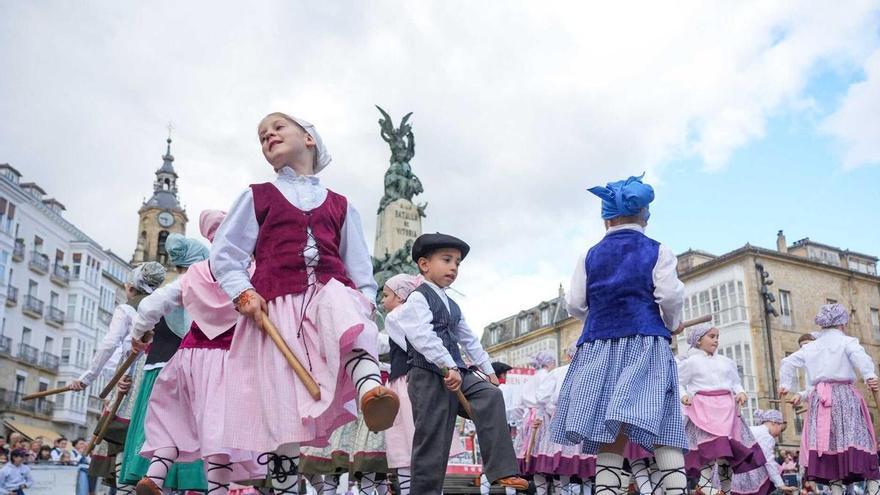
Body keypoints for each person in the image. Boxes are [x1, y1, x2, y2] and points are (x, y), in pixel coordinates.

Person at [210, 112, 398, 494]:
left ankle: (369, 390)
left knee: (346, 307)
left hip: (327, 298)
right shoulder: (256, 196)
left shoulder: (341, 204)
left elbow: (360, 267)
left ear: (309, 138)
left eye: (278, 127)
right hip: (276, 310)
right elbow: (226, 255)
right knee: (284, 411)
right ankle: (283, 486)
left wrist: (363, 300)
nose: (268, 136)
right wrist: (243, 292)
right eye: (262, 135)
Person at [550, 174, 688, 494]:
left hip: (598, 347)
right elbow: (669, 296)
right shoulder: (659, 250)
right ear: (645, 217)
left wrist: (599, 316)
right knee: (664, 423)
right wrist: (670, 323)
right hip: (645, 343)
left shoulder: (590, 254)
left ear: (606, 219)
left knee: (607, 431)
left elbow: (574, 303)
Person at [385, 232, 528, 494]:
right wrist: (446, 365)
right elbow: (421, 336)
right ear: (424, 264)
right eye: (447, 260)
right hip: (427, 375)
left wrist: (487, 369)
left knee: (490, 395)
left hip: (457, 372)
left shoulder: (452, 304)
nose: (453, 267)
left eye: (457, 263)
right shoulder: (418, 298)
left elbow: (469, 339)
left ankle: (501, 471)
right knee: (433, 438)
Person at [132, 217, 264, 495]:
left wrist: (139, 333)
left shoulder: (193, 274)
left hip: (188, 357)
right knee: (220, 433)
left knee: (170, 417)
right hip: (231, 360)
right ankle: (216, 491)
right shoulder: (250, 272)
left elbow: (150, 307)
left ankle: (155, 476)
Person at [69, 261, 166, 492]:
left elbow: (110, 344)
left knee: (120, 437)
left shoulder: (127, 309)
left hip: (133, 373)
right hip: (158, 374)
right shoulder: (164, 306)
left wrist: (86, 379)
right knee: (149, 436)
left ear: (131, 288)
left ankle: (126, 486)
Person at [779, 303, 880, 494]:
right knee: (861, 443)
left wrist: (785, 385)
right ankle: (874, 490)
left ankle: (836, 491)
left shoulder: (812, 347)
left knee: (831, 447)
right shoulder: (847, 342)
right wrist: (869, 376)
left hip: (821, 400)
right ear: (842, 323)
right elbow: (861, 358)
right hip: (844, 397)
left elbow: (787, 362)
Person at [678, 323, 764, 493]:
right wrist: (684, 396)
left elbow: (735, 382)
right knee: (710, 451)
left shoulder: (727, 362)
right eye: (711, 336)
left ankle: (725, 489)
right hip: (703, 411)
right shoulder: (691, 362)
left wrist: (741, 392)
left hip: (727, 410)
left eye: (717, 337)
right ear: (698, 341)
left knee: (726, 453)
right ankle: (704, 484)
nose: (716, 340)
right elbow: (679, 382)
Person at [513, 351, 557, 494]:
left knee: (534, 457)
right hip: (543, 417)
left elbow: (518, 405)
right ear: (549, 363)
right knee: (545, 455)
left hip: (529, 419)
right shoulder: (548, 376)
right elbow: (548, 400)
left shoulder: (530, 379)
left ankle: (541, 491)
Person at [730, 410, 796, 494]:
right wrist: (780, 484)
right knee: (776, 468)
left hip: (735, 474)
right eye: (780, 428)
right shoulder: (766, 437)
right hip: (750, 476)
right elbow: (768, 461)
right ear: (774, 422)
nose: (779, 433)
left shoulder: (751, 429)